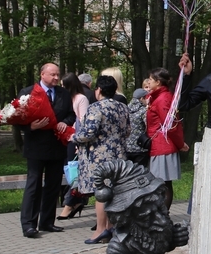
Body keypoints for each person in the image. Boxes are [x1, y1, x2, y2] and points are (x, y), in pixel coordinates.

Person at [18, 63, 76, 238]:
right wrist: (31, 126)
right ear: (42, 74)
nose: (56, 78)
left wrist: (65, 122)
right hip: (35, 146)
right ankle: (29, 224)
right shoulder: (27, 92)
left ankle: (47, 221)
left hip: (57, 146)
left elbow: (71, 114)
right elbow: (17, 118)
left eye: (58, 75)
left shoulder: (64, 93)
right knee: (34, 185)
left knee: (53, 185)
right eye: (53, 75)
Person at [73, 75, 131, 244]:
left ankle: (100, 230)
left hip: (99, 157)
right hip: (119, 156)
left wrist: (74, 137)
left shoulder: (95, 108)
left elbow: (89, 132)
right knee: (113, 192)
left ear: (98, 90)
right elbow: (128, 131)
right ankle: (111, 227)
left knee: (101, 193)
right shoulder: (122, 107)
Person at [147, 68, 188, 211]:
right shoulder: (158, 97)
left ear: (158, 82)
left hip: (163, 147)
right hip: (160, 145)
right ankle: (161, 216)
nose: (148, 82)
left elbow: (170, 125)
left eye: (151, 80)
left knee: (163, 184)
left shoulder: (162, 99)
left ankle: (163, 218)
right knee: (162, 183)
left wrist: (180, 143)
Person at [56, 73, 91, 220]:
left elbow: (83, 121)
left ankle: (71, 203)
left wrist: (79, 142)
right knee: (69, 171)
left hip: (74, 139)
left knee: (75, 172)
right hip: (63, 138)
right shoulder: (64, 99)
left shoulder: (81, 99)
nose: (62, 88)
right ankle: (73, 201)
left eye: (64, 85)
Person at [125, 88, 150, 168]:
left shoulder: (125, 109)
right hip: (140, 148)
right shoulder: (143, 111)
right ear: (142, 98)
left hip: (126, 147)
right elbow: (149, 126)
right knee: (140, 174)